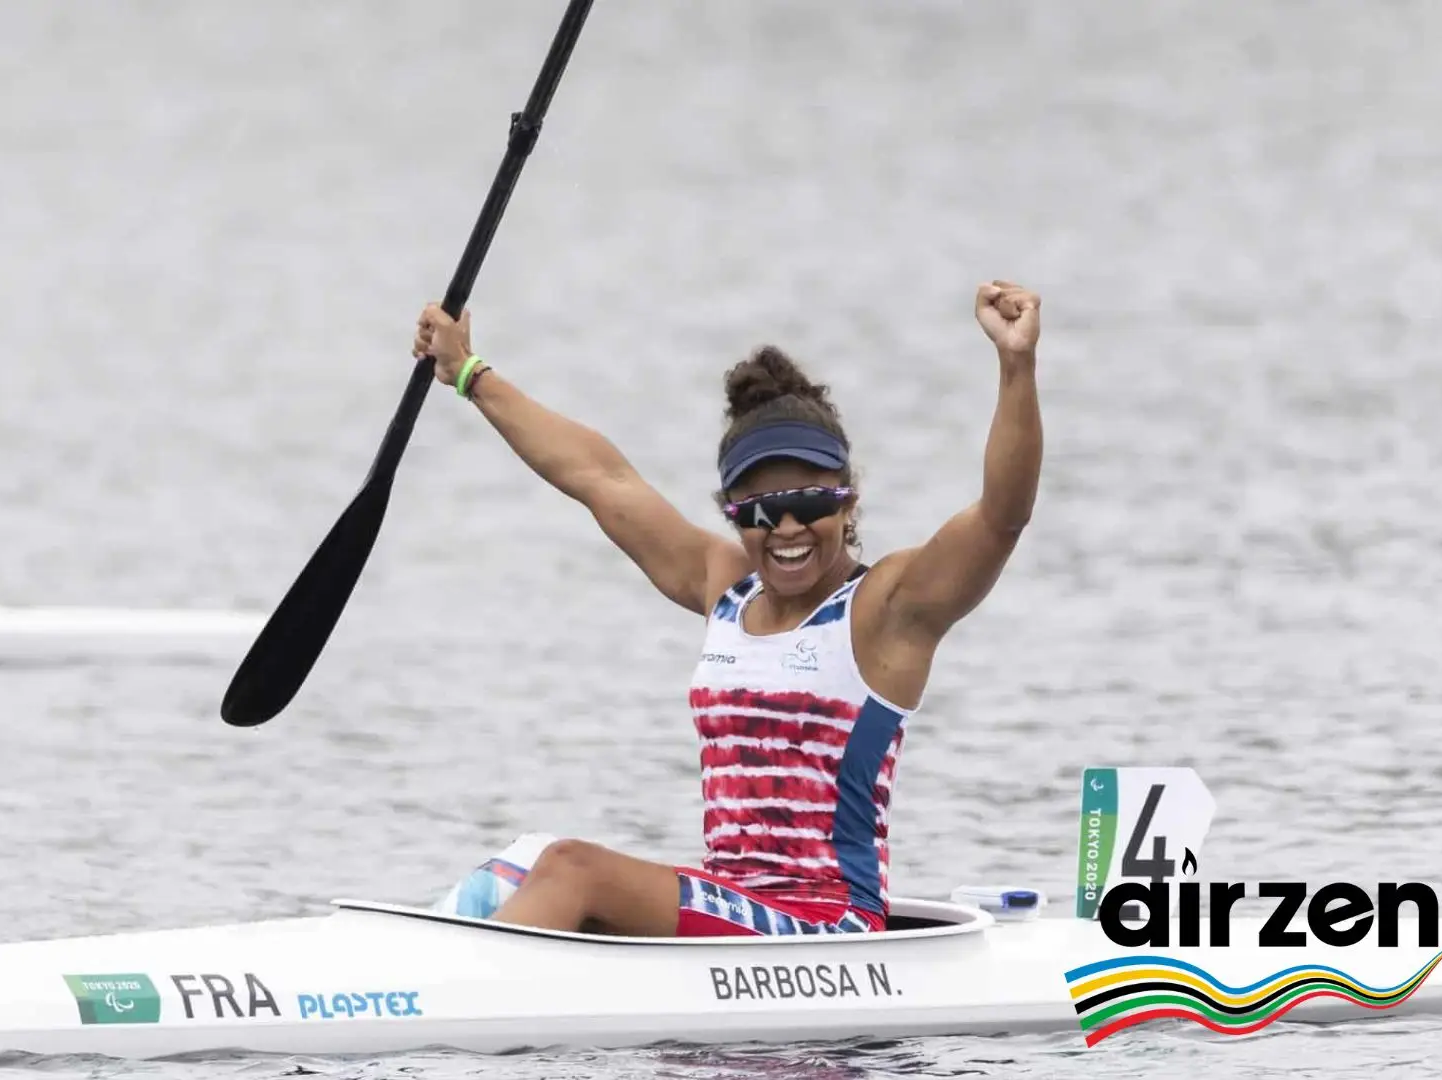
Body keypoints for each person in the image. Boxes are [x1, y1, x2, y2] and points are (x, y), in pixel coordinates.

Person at [410, 281, 1043, 937]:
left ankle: (439, 998)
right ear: (734, 516)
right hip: (734, 903)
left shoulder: (889, 609)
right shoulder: (725, 587)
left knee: (573, 868)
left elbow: (1002, 516)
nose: (788, 528)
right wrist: (466, 374)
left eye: (812, 504)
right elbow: (600, 477)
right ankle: (407, 969)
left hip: (828, 925)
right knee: (527, 859)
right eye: (761, 513)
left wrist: (1015, 365)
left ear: (847, 503)